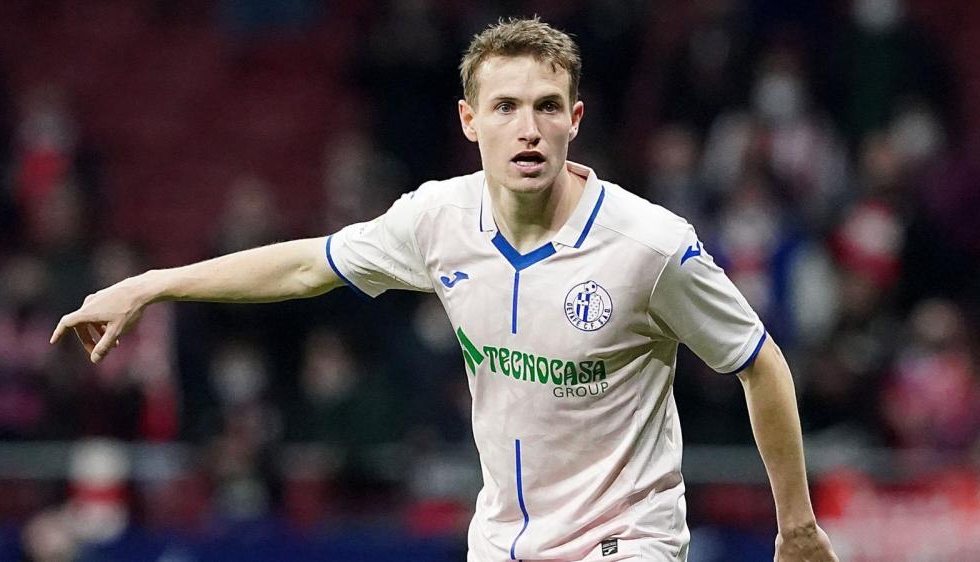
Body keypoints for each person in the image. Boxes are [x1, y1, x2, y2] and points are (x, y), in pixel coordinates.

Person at [51, 17, 838, 562]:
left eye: (546, 107)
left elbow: (758, 362)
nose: (528, 128)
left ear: (575, 119)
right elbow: (304, 265)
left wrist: (797, 526)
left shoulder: (650, 246)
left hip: (627, 540)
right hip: (500, 540)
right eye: (506, 107)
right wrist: (153, 285)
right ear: (469, 120)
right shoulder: (437, 220)